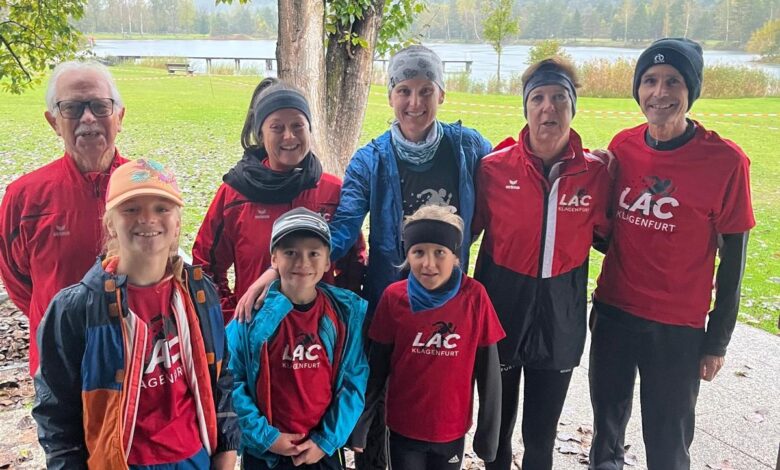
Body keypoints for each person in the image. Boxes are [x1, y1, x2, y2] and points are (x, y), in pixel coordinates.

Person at [235, 45, 493, 470]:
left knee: (439, 410)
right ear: (390, 96)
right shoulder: (370, 160)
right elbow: (341, 230)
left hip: (451, 309)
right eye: (404, 90)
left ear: (441, 95)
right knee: (378, 424)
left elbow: (507, 173)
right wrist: (276, 273)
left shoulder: (467, 146)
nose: (415, 103)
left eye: (426, 90)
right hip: (390, 309)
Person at [588, 38, 755, 470]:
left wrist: (717, 340)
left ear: (690, 90)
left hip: (677, 327)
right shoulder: (623, 146)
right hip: (614, 314)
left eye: (673, 82)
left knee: (667, 446)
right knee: (606, 440)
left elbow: (734, 262)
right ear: (638, 88)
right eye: (649, 80)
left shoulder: (726, 162)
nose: (659, 92)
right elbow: (609, 233)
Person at [32, 159, 239, 469]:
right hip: (121, 461)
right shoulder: (76, 310)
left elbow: (220, 376)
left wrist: (226, 450)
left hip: (194, 458)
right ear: (110, 224)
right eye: (130, 209)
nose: (147, 219)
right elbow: (57, 415)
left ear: (178, 223)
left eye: (161, 208)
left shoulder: (199, 294)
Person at [472, 57, 611, 470]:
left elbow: (614, 236)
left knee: (540, 438)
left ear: (573, 106)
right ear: (526, 107)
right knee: (495, 431)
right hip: (501, 308)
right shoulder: (493, 169)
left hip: (561, 313)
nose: (548, 108)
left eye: (559, 98)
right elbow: (461, 234)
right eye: (538, 98)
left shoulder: (597, 172)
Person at [193, 77, 365, 325]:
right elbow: (205, 267)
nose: (289, 136)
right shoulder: (234, 194)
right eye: (276, 127)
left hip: (318, 340)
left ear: (310, 129)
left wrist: (340, 320)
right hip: (256, 337)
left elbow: (354, 265)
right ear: (261, 134)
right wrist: (232, 317)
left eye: (297, 126)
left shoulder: (332, 192)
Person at [351, 205, 505, 469]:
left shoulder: (474, 297)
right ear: (408, 255)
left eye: (440, 252)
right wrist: (362, 424)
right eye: (418, 252)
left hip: (451, 430)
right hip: (403, 429)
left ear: (455, 256)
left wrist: (489, 435)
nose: (428, 263)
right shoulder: (394, 298)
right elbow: (376, 369)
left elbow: (489, 373)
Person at [0, 60, 128, 374]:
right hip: (58, 364)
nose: (88, 118)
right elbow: (18, 282)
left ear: (119, 116)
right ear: (54, 122)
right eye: (72, 108)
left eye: (100, 106)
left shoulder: (147, 187)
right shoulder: (25, 197)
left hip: (133, 360)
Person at [227, 207, 368, 470]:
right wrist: (266, 437)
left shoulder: (343, 316)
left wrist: (326, 439)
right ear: (274, 259)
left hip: (320, 450)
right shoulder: (250, 316)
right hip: (266, 453)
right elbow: (230, 379)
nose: (302, 262)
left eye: (313, 253)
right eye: (290, 252)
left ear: (328, 262)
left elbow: (353, 380)